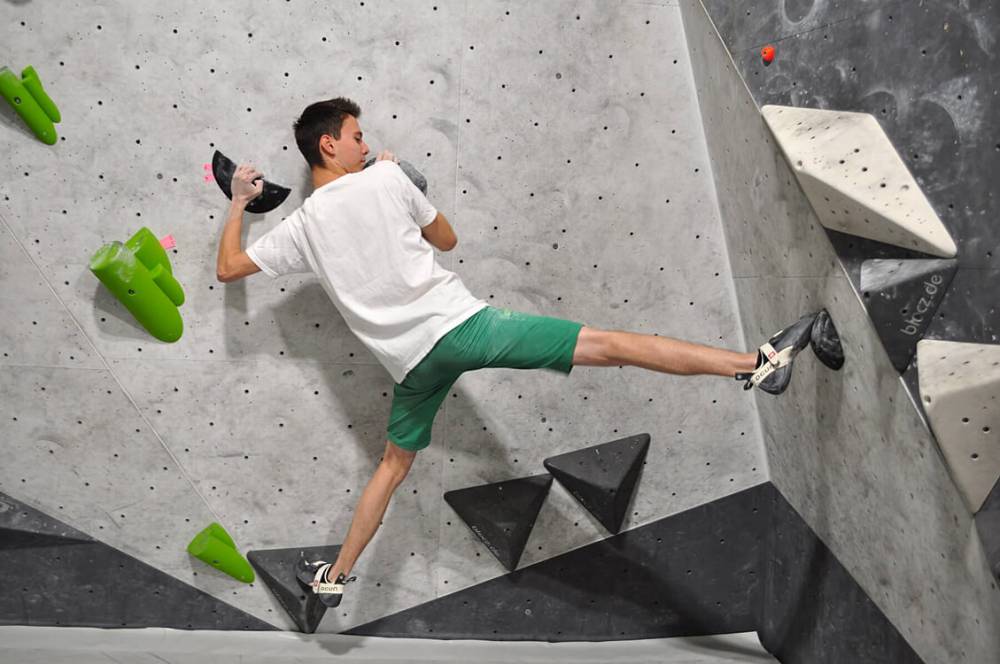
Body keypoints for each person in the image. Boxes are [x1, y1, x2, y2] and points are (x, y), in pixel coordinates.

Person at [215, 97, 842, 608]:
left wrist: (241, 201)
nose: (365, 142)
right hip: (464, 329)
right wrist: (401, 177)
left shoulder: (301, 227)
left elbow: (229, 267)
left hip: (412, 366)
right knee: (609, 345)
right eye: (357, 135)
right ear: (330, 145)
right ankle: (759, 364)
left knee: (392, 467)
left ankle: (333, 581)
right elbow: (447, 239)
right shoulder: (384, 176)